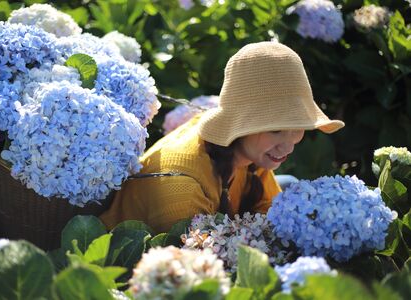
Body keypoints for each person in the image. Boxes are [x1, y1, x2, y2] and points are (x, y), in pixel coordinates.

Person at [100, 41, 344, 233]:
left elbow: (268, 208)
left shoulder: (250, 151)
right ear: (242, 124)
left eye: (298, 127)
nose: (289, 144)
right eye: (276, 129)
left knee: (290, 187)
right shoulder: (182, 189)